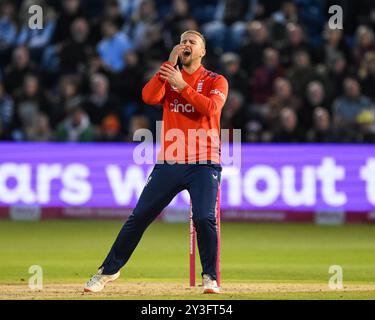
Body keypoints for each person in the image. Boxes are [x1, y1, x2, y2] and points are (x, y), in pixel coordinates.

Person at [84, 30, 228, 294]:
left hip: (204, 162)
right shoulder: (169, 74)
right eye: (183, 41)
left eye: (192, 42)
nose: (186, 44)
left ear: (202, 52)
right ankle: (108, 270)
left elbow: (210, 109)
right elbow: (148, 97)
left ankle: (210, 277)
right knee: (139, 217)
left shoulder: (216, 80)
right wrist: (168, 66)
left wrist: (182, 86)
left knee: (205, 218)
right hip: (170, 162)